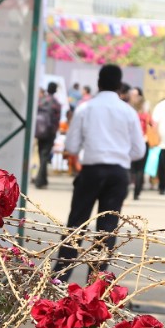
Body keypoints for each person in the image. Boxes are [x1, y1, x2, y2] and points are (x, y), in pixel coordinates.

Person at [55, 64, 146, 280]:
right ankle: (95, 284)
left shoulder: (86, 108)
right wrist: (118, 155)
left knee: (77, 224)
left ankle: (60, 277)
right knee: (107, 230)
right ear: (119, 86)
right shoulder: (128, 112)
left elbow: (72, 147)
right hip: (118, 174)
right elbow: (138, 150)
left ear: (99, 83)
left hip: (91, 171)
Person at [33, 82, 63, 188]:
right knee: (45, 155)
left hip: (39, 131)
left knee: (41, 153)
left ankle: (43, 179)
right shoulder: (56, 103)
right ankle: (39, 180)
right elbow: (57, 119)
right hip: (50, 132)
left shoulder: (41, 100)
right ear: (55, 90)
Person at [127, 88, 152, 200]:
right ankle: (137, 193)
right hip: (144, 142)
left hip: (131, 143)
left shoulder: (130, 114)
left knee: (130, 167)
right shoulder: (146, 116)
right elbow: (153, 126)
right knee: (140, 169)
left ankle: (127, 189)